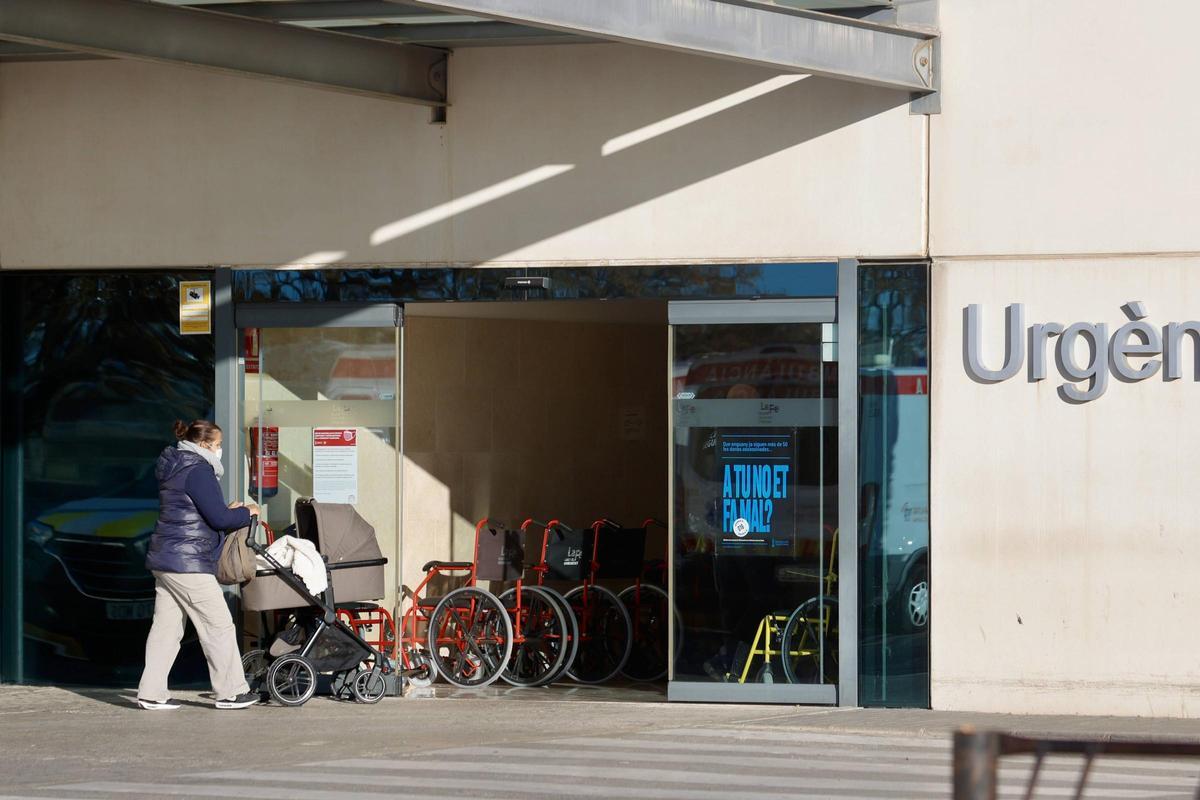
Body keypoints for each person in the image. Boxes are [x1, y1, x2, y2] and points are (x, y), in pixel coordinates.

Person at [136, 419, 261, 710]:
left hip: (167, 558)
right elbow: (218, 519)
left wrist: (229, 512)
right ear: (204, 445)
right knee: (217, 624)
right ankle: (231, 692)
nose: (219, 450)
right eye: (217, 445)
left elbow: (201, 513)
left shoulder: (176, 465)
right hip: (187, 562)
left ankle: (151, 693)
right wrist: (248, 512)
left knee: (166, 629)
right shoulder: (197, 470)